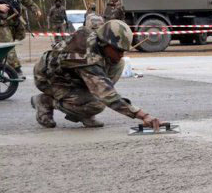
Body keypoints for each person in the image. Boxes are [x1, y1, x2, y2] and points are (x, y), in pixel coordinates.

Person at [31, 19, 162, 129]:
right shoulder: (87, 58)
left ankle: (84, 107)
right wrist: (143, 115)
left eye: (123, 51)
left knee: (118, 64)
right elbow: (107, 96)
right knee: (97, 104)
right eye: (118, 50)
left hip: (71, 75)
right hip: (49, 79)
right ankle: (46, 101)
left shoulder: (99, 39)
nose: (121, 54)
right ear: (105, 44)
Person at [0, 0, 42, 78]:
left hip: (12, 20)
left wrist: (35, 9)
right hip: (0, 23)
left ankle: (3, 64)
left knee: (18, 38)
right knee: (7, 45)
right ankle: (16, 69)